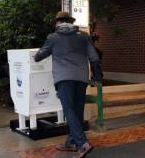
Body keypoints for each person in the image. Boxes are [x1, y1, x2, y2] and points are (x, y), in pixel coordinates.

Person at [34, 11, 102, 158]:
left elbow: (39, 56)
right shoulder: (83, 36)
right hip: (81, 78)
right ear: (71, 22)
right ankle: (70, 142)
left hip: (64, 78)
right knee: (77, 110)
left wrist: (39, 53)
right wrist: (98, 76)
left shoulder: (53, 37)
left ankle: (82, 143)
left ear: (58, 23)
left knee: (69, 110)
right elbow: (94, 57)